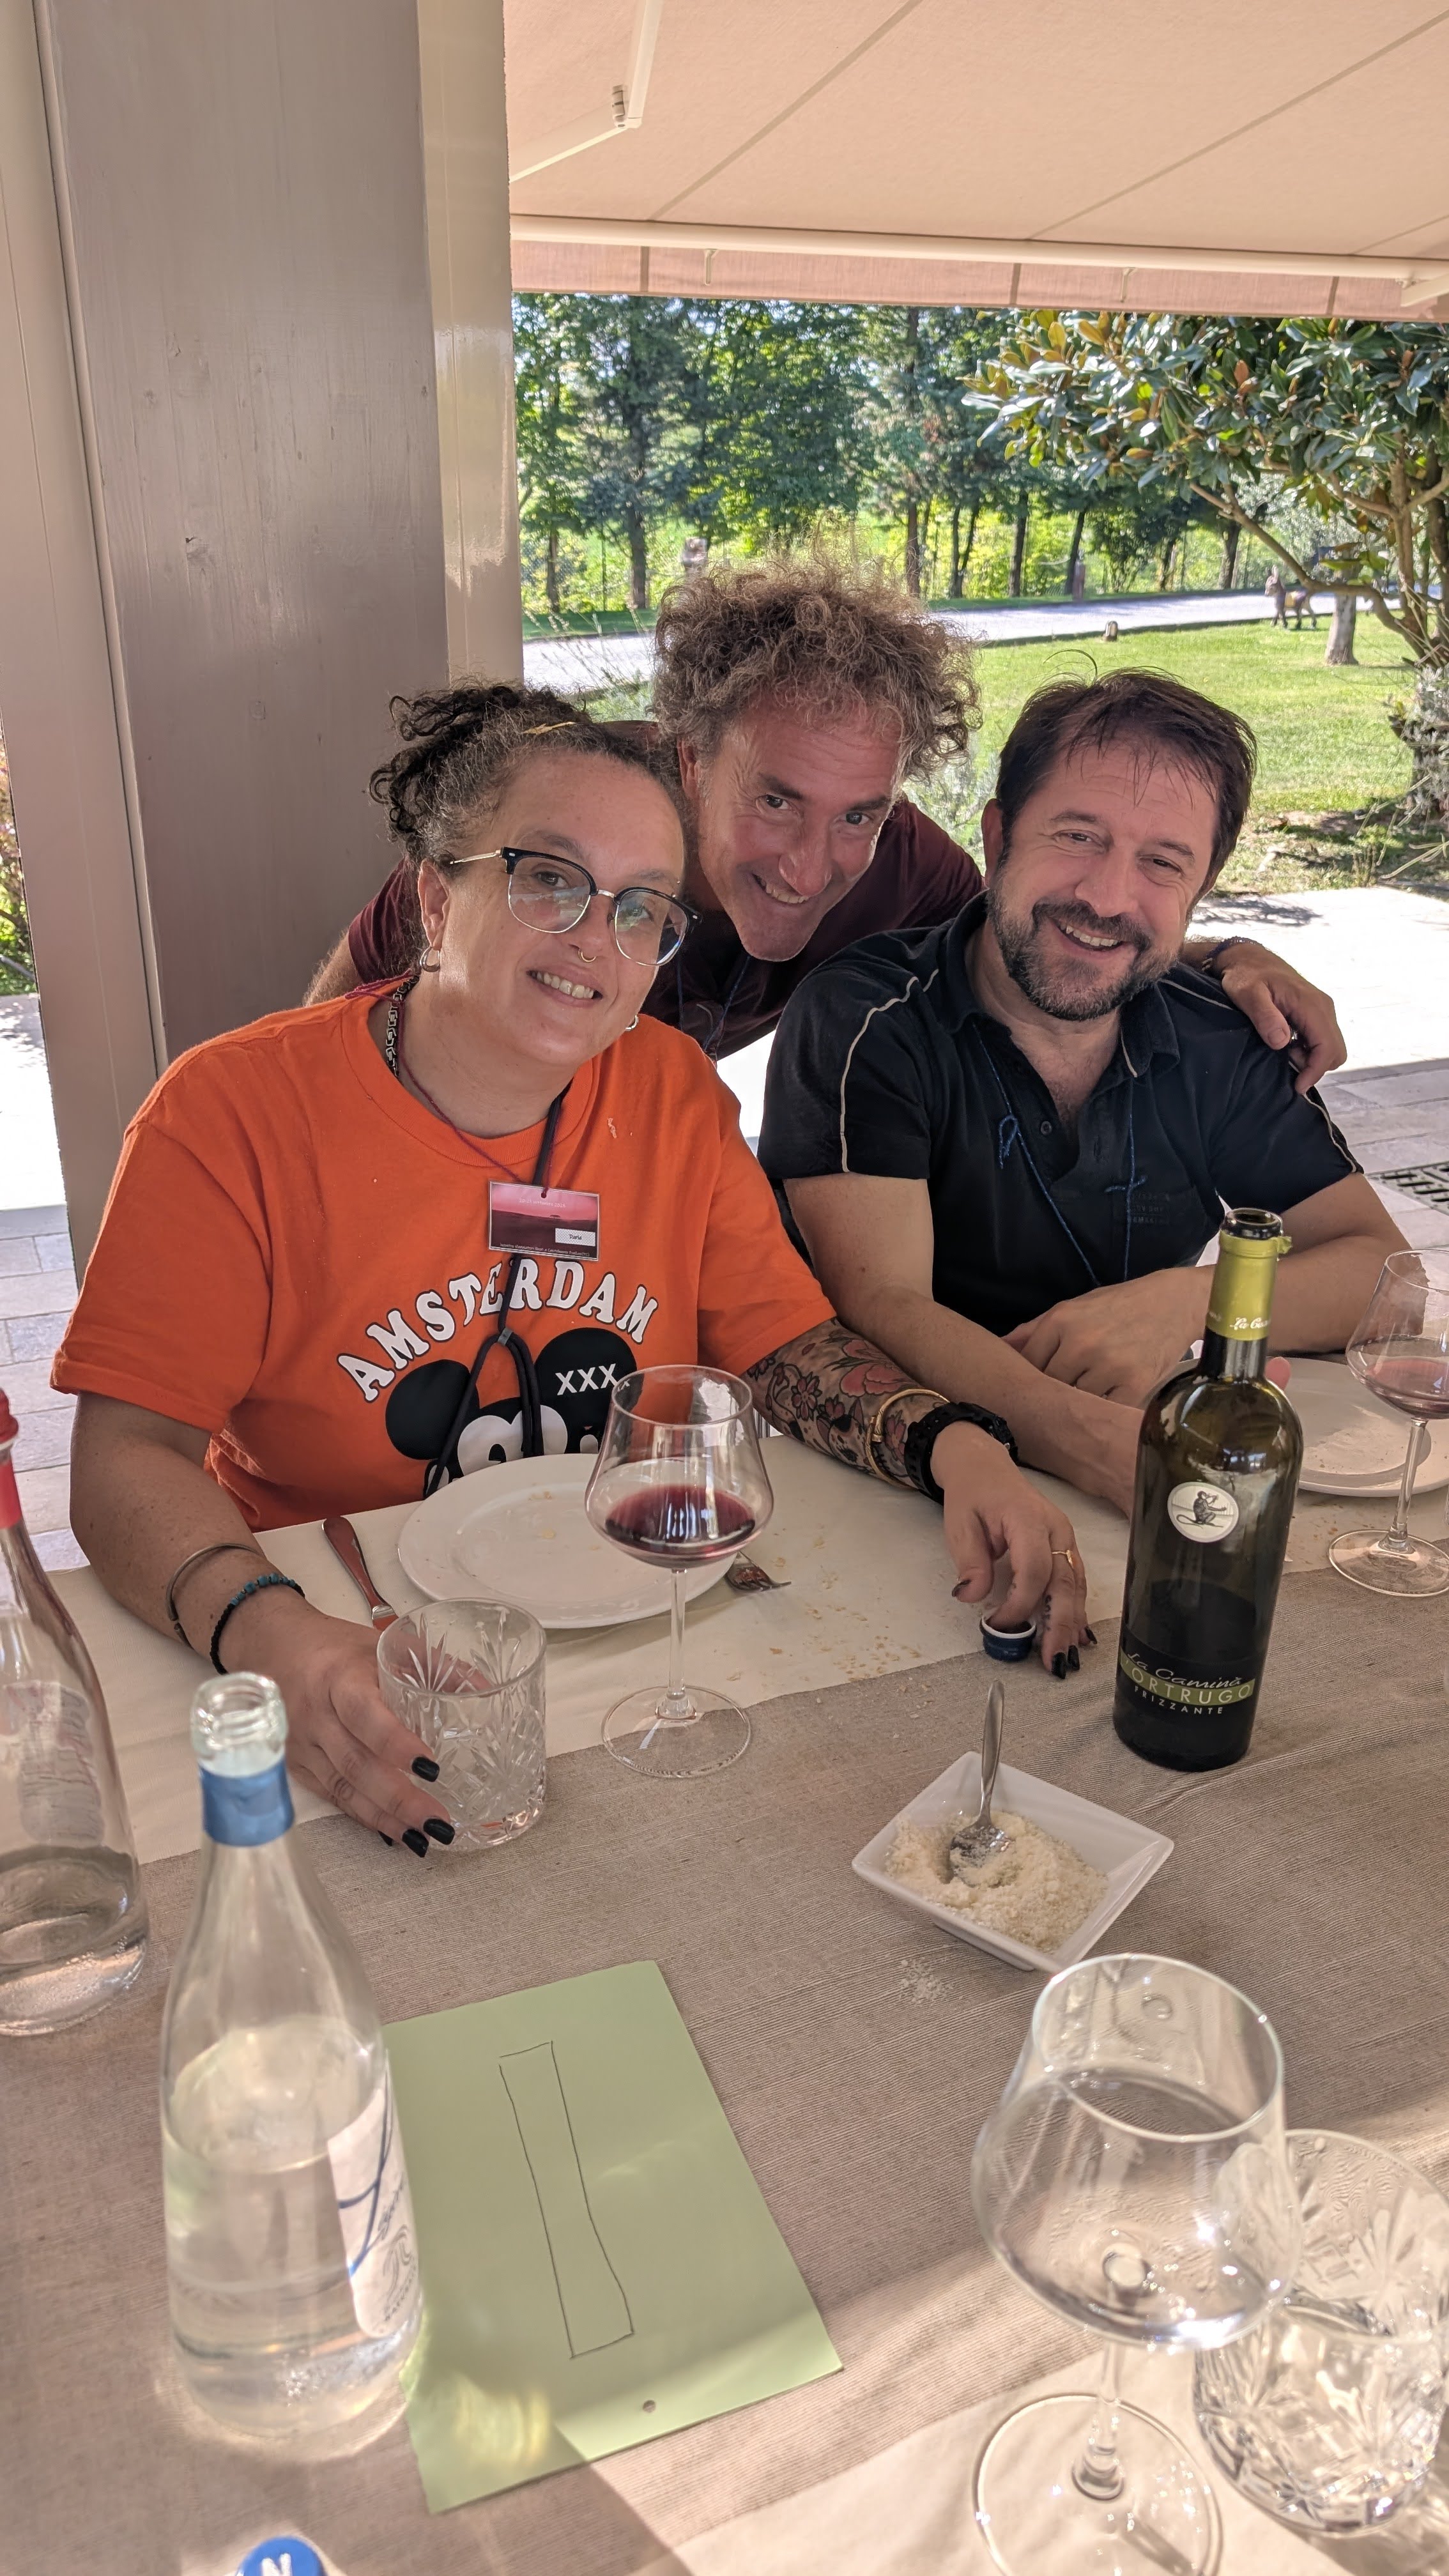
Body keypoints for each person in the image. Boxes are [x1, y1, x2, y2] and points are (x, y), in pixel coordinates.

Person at [56, 687, 1091, 1853]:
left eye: (644, 907)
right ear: (436, 903)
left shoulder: (671, 1090)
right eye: (549, 880)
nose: (598, 940)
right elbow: (124, 1458)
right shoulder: (227, 1117)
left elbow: (785, 1346)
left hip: (646, 1626)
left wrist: (957, 1447)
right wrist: (265, 1630)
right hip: (344, 1633)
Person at [306, 558, 1347, 1092]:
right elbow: (320, 1043)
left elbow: (1038, 938)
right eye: (775, 801)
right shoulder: (548, 828)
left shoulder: (903, 866)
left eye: (860, 811)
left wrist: (1224, 957)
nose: (812, 868)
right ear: (689, 760)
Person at [759, 671, 1405, 1521]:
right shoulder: (869, 1018)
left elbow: (1382, 1275)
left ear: (1202, 885)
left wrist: (1189, 1304)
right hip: (893, 1462)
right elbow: (879, 1302)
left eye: (1162, 863)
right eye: (1077, 837)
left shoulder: (1221, 1037)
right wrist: (1088, 1439)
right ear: (998, 838)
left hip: (1130, 1438)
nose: (1106, 897)